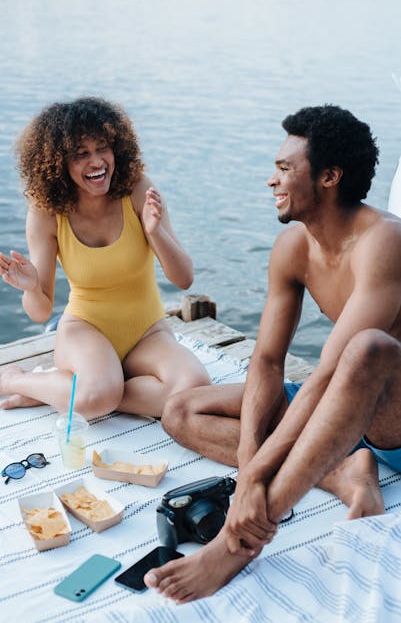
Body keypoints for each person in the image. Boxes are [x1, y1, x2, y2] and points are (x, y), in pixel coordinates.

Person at [143, 104, 401, 603]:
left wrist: (258, 480)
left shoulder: (385, 241)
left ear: (329, 177)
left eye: (284, 168)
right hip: (343, 403)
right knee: (181, 410)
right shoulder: (293, 247)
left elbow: (328, 373)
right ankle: (345, 474)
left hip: (393, 413)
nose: (271, 180)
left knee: (368, 348)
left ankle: (239, 545)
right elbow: (266, 362)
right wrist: (248, 462)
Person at [0, 97, 210, 418]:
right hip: (85, 331)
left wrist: (155, 233)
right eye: (81, 154)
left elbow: (184, 279)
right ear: (58, 164)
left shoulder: (137, 189)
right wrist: (31, 287)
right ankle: (11, 379)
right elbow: (41, 312)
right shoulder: (47, 213)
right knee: (97, 398)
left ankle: (67, 390)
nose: (97, 162)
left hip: (147, 331)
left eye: (102, 148)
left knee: (194, 388)